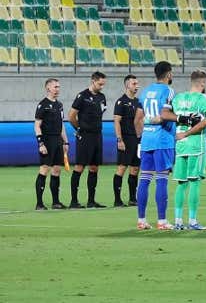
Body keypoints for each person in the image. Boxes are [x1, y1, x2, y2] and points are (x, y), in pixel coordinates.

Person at [136, 61, 180, 230]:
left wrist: (142, 137)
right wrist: (180, 117)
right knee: (162, 179)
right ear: (168, 74)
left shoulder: (145, 92)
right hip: (162, 140)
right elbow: (165, 115)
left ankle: (141, 220)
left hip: (147, 139)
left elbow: (138, 119)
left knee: (145, 179)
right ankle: (162, 221)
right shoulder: (168, 91)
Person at [171, 71, 206, 230]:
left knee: (181, 183)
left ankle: (178, 221)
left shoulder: (178, 98)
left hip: (180, 144)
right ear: (202, 83)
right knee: (194, 182)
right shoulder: (203, 99)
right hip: (196, 143)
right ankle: (193, 221)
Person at [68, 71, 108, 209]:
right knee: (80, 166)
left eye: (103, 84)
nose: (102, 87)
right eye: (100, 84)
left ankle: (91, 201)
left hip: (97, 135)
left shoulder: (102, 97)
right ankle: (74, 201)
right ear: (93, 81)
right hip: (85, 135)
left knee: (94, 167)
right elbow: (71, 116)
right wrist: (79, 129)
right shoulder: (82, 96)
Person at [34, 78, 68, 210]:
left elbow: (61, 125)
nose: (58, 89)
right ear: (48, 88)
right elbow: (37, 126)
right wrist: (40, 143)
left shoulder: (59, 105)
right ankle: (39, 203)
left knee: (57, 170)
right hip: (47, 140)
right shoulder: (42, 105)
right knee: (44, 169)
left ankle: (56, 202)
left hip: (58, 141)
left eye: (59, 87)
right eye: (55, 87)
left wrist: (66, 141)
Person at [112, 75, 141, 207]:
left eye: (137, 84)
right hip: (125, 138)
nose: (137, 86)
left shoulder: (138, 102)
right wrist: (119, 139)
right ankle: (117, 200)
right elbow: (117, 122)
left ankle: (132, 198)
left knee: (135, 169)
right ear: (127, 85)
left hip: (137, 139)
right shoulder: (121, 102)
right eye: (134, 84)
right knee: (122, 167)